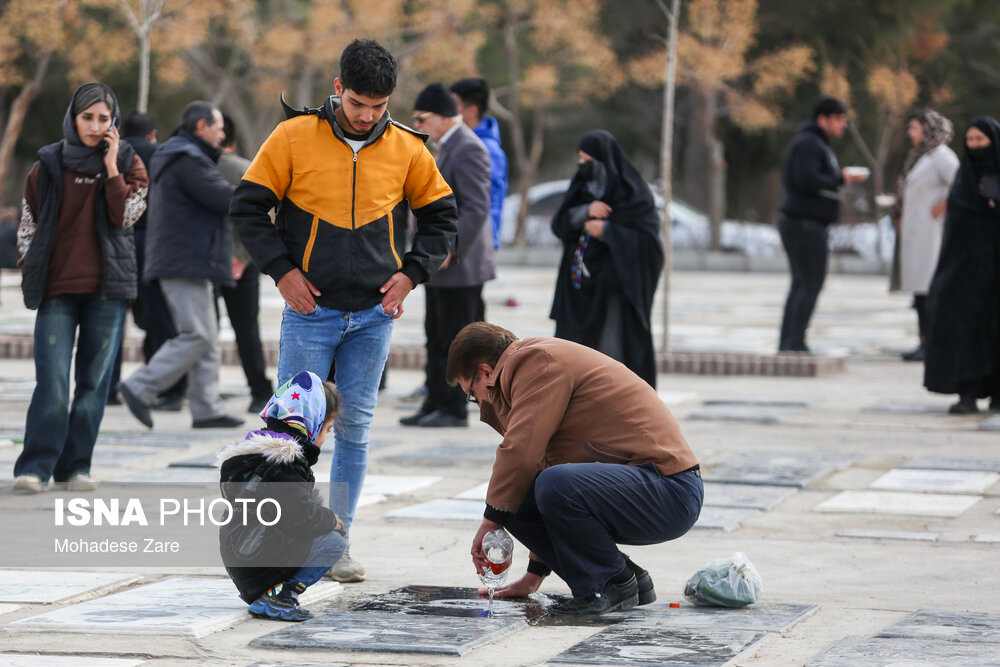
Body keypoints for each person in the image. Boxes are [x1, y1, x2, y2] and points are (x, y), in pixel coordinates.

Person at [230, 39, 458, 582]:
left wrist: (411, 275)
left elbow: (443, 218)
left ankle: (337, 543)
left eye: (379, 107)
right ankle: (280, 543)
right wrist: (282, 271)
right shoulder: (292, 136)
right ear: (338, 88)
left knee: (355, 429)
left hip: (374, 317)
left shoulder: (408, 148)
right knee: (290, 434)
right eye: (358, 103)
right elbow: (246, 208)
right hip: (310, 313)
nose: (367, 116)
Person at [447, 322, 702, 616]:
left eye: (472, 393)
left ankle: (610, 583)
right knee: (515, 498)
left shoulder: (537, 361)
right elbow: (534, 468)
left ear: (485, 372)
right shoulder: (532, 367)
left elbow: (521, 449)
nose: (480, 403)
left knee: (548, 485)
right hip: (645, 487)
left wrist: (489, 523)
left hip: (669, 489)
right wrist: (533, 575)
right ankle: (625, 577)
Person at [12, 82, 148, 494]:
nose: (94, 126)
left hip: (108, 291)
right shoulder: (48, 163)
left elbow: (127, 216)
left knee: (93, 384)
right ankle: (35, 467)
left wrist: (111, 168)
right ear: (73, 118)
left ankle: (76, 467)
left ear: (114, 122)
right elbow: (28, 225)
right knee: (52, 380)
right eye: (87, 117)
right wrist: (30, 268)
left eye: (103, 118)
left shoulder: (129, 161)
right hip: (57, 289)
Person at [118, 101, 243, 430]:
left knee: (207, 336)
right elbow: (224, 197)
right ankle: (140, 386)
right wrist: (261, 191)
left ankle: (207, 409)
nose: (222, 134)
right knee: (198, 334)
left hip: (188, 258)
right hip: (186, 260)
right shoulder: (187, 158)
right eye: (218, 127)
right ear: (201, 126)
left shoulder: (181, 154)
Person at [400, 83, 494, 428]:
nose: (418, 125)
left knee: (459, 342)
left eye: (421, 118)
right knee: (436, 336)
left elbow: (476, 208)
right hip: (438, 262)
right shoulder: (443, 146)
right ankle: (435, 401)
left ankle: (454, 408)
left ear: (443, 116)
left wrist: (449, 247)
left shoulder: (468, 147)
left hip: (459, 265)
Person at [217, 370, 345, 621]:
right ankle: (279, 597)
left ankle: (271, 593)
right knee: (333, 542)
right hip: (256, 563)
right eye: (327, 429)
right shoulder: (284, 463)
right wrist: (330, 520)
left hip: (243, 562)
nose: (325, 438)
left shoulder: (259, 455)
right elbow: (298, 515)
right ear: (311, 422)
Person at [549, 130, 663, 388]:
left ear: (603, 161)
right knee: (575, 356)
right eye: (579, 159)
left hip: (615, 290)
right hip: (578, 291)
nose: (581, 165)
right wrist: (584, 212)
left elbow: (650, 244)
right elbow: (559, 225)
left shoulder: (634, 195)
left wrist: (609, 232)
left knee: (612, 352)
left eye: (587, 160)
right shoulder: (581, 188)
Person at [777, 96, 868, 353]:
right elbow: (806, 178)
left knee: (803, 283)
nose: (843, 125)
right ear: (822, 119)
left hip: (805, 223)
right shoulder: (809, 143)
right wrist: (840, 178)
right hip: (804, 223)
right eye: (839, 119)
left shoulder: (815, 143)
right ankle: (793, 343)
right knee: (809, 282)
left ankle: (791, 342)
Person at [924, 117, 1000, 414]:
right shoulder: (964, 179)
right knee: (966, 331)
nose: (975, 146)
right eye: (970, 140)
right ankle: (967, 393)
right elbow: (957, 222)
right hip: (967, 272)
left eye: (981, 140)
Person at [217, 114, 274, 414]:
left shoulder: (201, 167)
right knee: (246, 328)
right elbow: (265, 215)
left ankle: (196, 389)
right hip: (243, 260)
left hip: (211, 260)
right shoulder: (247, 168)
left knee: (204, 330)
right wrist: (242, 256)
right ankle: (260, 390)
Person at [892, 110, 959, 362]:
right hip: (918, 234)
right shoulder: (923, 156)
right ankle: (925, 342)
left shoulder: (942, 156)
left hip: (931, 235)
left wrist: (942, 205)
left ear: (928, 129)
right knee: (920, 295)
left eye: (915, 128)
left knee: (929, 294)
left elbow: (961, 183)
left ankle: (933, 345)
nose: (910, 133)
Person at [450, 78, 508, 251]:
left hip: (474, 243)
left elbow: (484, 203)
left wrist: (456, 244)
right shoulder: (461, 142)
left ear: (472, 110)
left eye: (453, 105)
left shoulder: (485, 150)